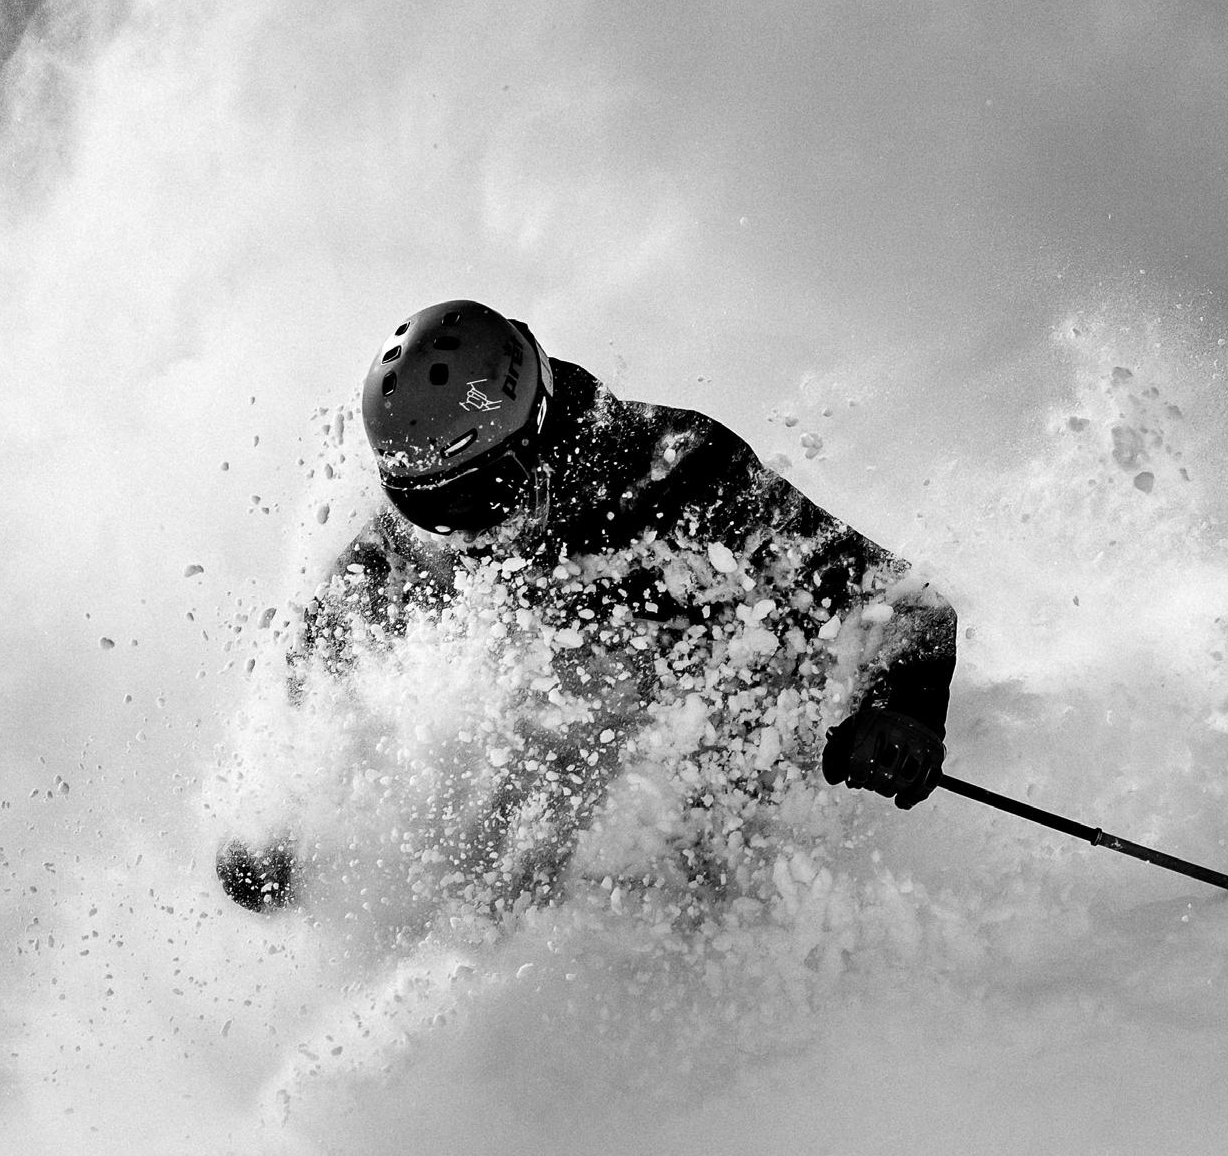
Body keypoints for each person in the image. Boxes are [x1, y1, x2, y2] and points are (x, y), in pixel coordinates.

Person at [216, 301, 957, 910]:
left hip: (736, 720)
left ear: (536, 430)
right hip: (581, 722)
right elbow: (326, 647)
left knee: (702, 851)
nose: (467, 533)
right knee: (492, 859)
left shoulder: (685, 474)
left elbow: (909, 606)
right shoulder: (432, 536)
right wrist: (281, 820)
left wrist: (906, 709)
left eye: (482, 497)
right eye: (429, 507)